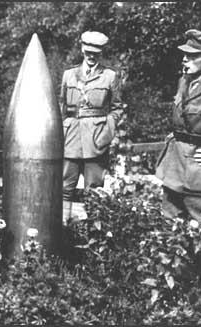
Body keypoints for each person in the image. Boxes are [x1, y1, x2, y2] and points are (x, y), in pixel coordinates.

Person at [156, 29, 201, 222]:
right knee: (168, 231)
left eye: (192, 55)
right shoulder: (183, 82)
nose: (185, 59)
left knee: (200, 233)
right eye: (185, 54)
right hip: (174, 168)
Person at [59, 31, 125, 222]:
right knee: (64, 187)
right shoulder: (69, 75)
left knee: (94, 190)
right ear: (82, 49)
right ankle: (64, 228)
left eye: (96, 51)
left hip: (96, 140)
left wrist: (107, 131)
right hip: (70, 138)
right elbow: (61, 106)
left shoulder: (110, 76)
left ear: (101, 52)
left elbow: (117, 108)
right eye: (88, 51)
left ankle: (94, 235)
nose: (91, 55)